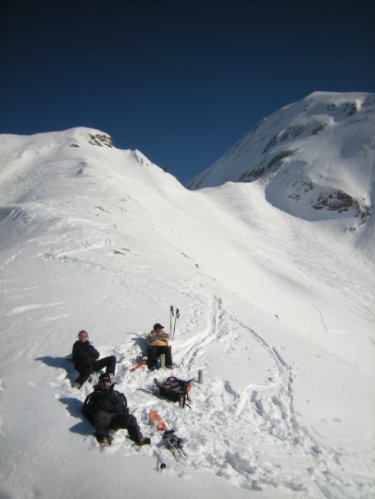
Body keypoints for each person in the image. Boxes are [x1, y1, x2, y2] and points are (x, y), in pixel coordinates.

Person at [82, 373, 151, 448]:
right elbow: (94, 408)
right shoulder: (95, 394)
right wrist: (108, 394)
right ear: (99, 383)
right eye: (103, 381)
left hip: (116, 417)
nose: (105, 383)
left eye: (107, 381)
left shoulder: (116, 394)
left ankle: (139, 439)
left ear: (110, 382)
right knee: (100, 415)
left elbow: (121, 407)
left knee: (131, 418)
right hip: (103, 417)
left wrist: (112, 395)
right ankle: (104, 439)